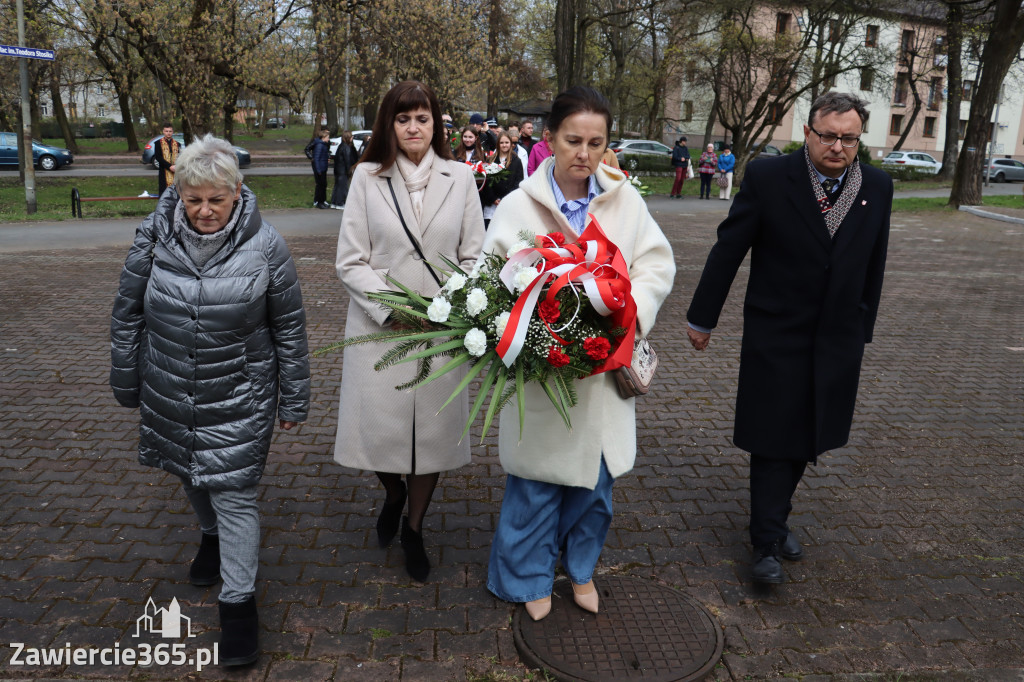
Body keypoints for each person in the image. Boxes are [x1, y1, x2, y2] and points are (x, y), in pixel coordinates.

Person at [110, 133, 311, 666]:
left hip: (240, 392)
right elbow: (127, 311)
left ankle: (238, 607)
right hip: (170, 383)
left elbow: (289, 328)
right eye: (193, 198)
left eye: (216, 199)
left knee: (234, 493)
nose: (204, 210)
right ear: (177, 193)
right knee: (188, 471)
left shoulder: (266, 245)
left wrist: (293, 399)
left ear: (237, 193)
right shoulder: (153, 235)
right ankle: (210, 536)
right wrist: (126, 380)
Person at [482, 86, 675, 621]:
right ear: (549, 139)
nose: (584, 154)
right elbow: (490, 276)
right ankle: (525, 577)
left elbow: (657, 264)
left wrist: (628, 312)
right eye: (572, 141)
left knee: (596, 485)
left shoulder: (625, 201)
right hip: (544, 374)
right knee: (537, 484)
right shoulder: (519, 206)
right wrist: (534, 325)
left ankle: (581, 568)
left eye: (596, 142)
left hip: (603, 372)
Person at [685, 92, 892, 585]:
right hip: (776, 330)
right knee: (773, 434)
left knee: (810, 430)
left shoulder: (877, 186)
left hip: (837, 334)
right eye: (829, 136)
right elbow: (729, 248)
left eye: (849, 138)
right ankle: (765, 543)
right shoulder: (770, 177)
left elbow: (875, 261)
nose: (838, 147)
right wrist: (702, 318)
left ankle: (775, 521)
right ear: (808, 133)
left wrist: (863, 325)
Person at [333, 81, 485, 583]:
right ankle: (392, 493)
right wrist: (393, 308)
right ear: (389, 124)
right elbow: (351, 260)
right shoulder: (366, 178)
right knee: (380, 427)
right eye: (403, 119)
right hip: (381, 327)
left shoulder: (460, 177)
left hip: (443, 329)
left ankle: (414, 528)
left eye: (422, 118)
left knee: (433, 436)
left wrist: (451, 304)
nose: (414, 128)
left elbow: (475, 256)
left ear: (436, 123)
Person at [480, 131, 525, 228]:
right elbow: (487, 182)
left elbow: (518, 182)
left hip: (508, 202)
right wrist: (493, 199)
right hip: (492, 203)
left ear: (511, 144)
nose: (504, 145)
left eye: (506, 142)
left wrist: (506, 199)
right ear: (498, 144)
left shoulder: (516, 161)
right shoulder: (490, 160)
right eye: (501, 143)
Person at [331, 130, 358, 209]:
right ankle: (340, 203)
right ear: (349, 138)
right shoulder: (346, 147)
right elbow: (347, 160)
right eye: (351, 137)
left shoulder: (341, 146)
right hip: (343, 170)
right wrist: (349, 171)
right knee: (342, 187)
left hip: (338, 169)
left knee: (337, 186)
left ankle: (334, 202)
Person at [154, 122, 180, 197]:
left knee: (176, 192)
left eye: (170, 131)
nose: (168, 133)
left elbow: (179, 156)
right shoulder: (158, 143)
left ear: (172, 132)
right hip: (164, 170)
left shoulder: (177, 144)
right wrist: (169, 166)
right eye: (166, 131)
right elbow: (158, 157)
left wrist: (176, 166)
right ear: (163, 131)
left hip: (175, 170)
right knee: (164, 193)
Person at [312, 128, 331, 209]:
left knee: (323, 185)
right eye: (327, 137)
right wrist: (318, 170)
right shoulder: (319, 145)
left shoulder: (323, 145)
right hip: (320, 169)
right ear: (323, 137)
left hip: (323, 168)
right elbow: (316, 158)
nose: (328, 139)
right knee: (320, 186)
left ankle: (322, 201)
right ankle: (320, 202)